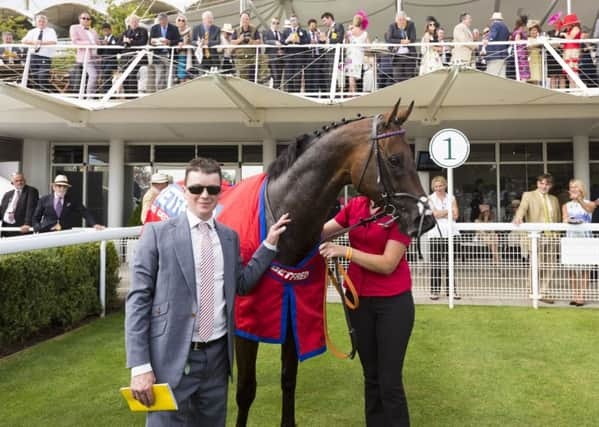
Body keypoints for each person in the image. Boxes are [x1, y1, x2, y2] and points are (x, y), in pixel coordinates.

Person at [125, 158, 290, 426]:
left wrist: (268, 245)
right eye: (197, 188)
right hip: (170, 358)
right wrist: (140, 366)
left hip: (216, 360)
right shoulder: (156, 234)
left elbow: (242, 284)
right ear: (185, 189)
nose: (204, 195)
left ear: (219, 192)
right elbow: (138, 302)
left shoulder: (229, 237)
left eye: (212, 190)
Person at [320, 195, 414, 426]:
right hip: (359, 301)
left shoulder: (401, 212)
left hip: (393, 303)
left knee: (389, 380)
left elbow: (387, 264)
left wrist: (346, 252)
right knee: (371, 376)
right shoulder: (357, 205)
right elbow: (323, 231)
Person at [513, 173, 560, 303]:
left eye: (547, 184)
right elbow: (522, 208)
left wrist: (559, 234)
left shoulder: (554, 199)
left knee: (550, 265)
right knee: (536, 264)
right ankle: (532, 291)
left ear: (551, 185)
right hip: (536, 236)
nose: (544, 186)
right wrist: (518, 216)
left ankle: (544, 292)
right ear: (538, 183)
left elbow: (558, 218)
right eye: (542, 183)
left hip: (552, 236)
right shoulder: (528, 195)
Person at [562, 179, 595, 307]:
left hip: (586, 239)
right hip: (571, 239)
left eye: (575, 186)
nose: (573, 189)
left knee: (585, 269)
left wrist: (579, 199)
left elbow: (588, 211)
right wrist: (568, 220)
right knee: (571, 269)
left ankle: (581, 296)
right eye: (571, 187)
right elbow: (564, 219)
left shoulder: (590, 203)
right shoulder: (566, 205)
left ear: (581, 189)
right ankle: (575, 295)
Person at [32, 175, 104, 232]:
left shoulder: (72, 200)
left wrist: (94, 224)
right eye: (59, 186)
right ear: (54, 187)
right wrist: (38, 228)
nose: (62, 189)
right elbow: (36, 217)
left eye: (64, 186)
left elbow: (84, 212)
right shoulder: (44, 199)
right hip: (47, 232)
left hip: (65, 233)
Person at [427, 176, 460, 300]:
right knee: (436, 263)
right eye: (436, 186)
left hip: (452, 233)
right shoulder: (430, 198)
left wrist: (443, 213)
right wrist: (448, 211)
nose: (438, 188)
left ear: (445, 185)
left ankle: (451, 291)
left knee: (450, 264)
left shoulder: (451, 197)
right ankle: (434, 291)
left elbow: (456, 215)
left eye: (440, 186)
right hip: (435, 234)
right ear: (433, 187)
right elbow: (434, 214)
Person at [21, 14, 57, 92]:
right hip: (33, 56)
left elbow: (54, 42)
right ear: (36, 23)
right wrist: (34, 42)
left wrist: (41, 42)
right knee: (35, 78)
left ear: (46, 22)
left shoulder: (51, 31)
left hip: (45, 57)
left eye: (43, 21)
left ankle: (49, 93)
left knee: (43, 77)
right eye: (39, 21)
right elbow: (23, 41)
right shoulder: (32, 31)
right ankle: (39, 95)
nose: (41, 23)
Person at [70, 11, 100, 96]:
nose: (86, 20)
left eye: (88, 19)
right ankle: (89, 97)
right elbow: (75, 42)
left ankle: (92, 96)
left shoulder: (93, 30)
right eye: (84, 18)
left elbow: (97, 42)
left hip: (96, 57)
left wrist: (104, 42)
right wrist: (88, 43)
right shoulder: (74, 28)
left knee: (96, 77)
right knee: (93, 75)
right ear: (80, 19)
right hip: (86, 57)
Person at [149, 13, 181, 92]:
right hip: (158, 55)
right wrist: (152, 42)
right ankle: (159, 94)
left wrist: (169, 42)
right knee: (159, 77)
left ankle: (170, 93)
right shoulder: (154, 28)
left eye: (163, 21)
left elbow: (178, 40)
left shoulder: (174, 28)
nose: (162, 22)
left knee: (170, 76)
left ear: (167, 20)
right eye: (160, 21)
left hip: (170, 55)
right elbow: (150, 41)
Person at [0, 173, 39, 237]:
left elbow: (31, 208)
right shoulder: (7, 194)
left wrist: (27, 224)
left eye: (21, 180)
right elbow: (2, 210)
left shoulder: (31, 191)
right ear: (12, 182)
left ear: (25, 180)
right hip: (6, 228)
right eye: (16, 181)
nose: (19, 182)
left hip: (21, 229)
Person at [386, 11, 417, 84]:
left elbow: (413, 38)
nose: (402, 22)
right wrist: (401, 41)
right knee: (397, 77)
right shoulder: (392, 26)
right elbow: (389, 39)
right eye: (400, 20)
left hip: (409, 55)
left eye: (403, 20)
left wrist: (408, 41)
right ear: (396, 20)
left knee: (409, 78)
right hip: (397, 56)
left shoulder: (411, 24)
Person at [120, 14, 148, 94]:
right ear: (129, 23)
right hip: (126, 58)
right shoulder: (126, 32)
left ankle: (132, 96)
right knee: (125, 76)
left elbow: (143, 42)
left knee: (132, 75)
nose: (134, 23)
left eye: (135, 21)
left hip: (137, 58)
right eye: (132, 21)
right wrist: (125, 41)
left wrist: (131, 42)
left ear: (138, 22)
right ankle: (127, 95)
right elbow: (119, 42)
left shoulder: (143, 30)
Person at [281, 15, 309, 92]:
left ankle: (297, 93)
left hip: (299, 57)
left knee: (298, 76)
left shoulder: (303, 31)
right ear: (290, 22)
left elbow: (307, 42)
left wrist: (299, 41)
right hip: (289, 57)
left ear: (297, 21)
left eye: (295, 20)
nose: (293, 22)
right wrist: (287, 40)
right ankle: (290, 93)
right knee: (289, 76)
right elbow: (281, 42)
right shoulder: (286, 31)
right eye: (292, 20)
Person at [232, 12, 261, 82]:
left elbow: (259, 41)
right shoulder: (237, 30)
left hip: (252, 58)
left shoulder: (254, 29)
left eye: (246, 19)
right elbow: (232, 42)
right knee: (243, 79)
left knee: (253, 78)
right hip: (241, 59)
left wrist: (252, 41)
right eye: (243, 19)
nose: (245, 21)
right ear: (240, 20)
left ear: (249, 20)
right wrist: (239, 40)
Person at [345, 12, 369, 94]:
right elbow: (368, 46)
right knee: (354, 76)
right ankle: (351, 93)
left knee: (350, 76)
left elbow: (346, 43)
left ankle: (353, 93)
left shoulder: (350, 32)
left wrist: (349, 30)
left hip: (350, 55)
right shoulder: (365, 33)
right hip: (359, 55)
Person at [483, 12, 510, 78]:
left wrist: (487, 39)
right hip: (503, 55)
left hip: (494, 55)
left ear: (493, 19)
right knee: (502, 75)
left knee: (492, 76)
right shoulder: (505, 27)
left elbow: (492, 36)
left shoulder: (495, 25)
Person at [304, 18, 326, 94]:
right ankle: (308, 94)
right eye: (312, 25)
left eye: (315, 25)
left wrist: (320, 38)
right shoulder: (305, 34)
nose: (314, 27)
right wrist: (310, 44)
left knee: (316, 77)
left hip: (318, 57)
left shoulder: (319, 34)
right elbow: (303, 45)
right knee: (308, 76)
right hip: (308, 58)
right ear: (309, 26)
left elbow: (323, 44)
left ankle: (315, 93)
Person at [560, 13, 581, 88]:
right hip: (568, 51)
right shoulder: (571, 29)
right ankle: (573, 87)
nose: (567, 25)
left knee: (573, 71)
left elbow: (570, 38)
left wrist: (564, 34)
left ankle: (576, 88)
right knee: (569, 72)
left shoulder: (576, 28)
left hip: (573, 51)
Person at [263, 17, 285, 89]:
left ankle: (277, 92)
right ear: (271, 24)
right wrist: (275, 42)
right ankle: (275, 92)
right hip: (272, 58)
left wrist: (282, 50)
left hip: (280, 58)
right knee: (275, 77)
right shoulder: (266, 32)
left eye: (277, 23)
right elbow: (266, 41)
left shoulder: (281, 34)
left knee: (279, 78)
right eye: (274, 23)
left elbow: (283, 44)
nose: (275, 25)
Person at [97, 23, 120, 93]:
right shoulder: (101, 39)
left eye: (107, 30)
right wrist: (100, 45)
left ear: (110, 30)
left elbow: (117, 50)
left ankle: (106, 93)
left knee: (106, 75)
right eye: (104, 31)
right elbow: (99, 52)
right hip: (104, 62)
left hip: (112, 61)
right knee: (105, 77)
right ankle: (109, 94)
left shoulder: (115, 38)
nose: (105, 32)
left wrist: (108, 44)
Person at [511, 15, 530, 81]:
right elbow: (517, 41)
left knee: (521, 69)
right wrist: (526, 41)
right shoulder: (520, 31)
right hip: (521, 52)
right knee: (523, 69)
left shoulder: (516, 30)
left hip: (519, 52)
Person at [174, 14, 193, 83]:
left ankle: (181, 78)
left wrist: (184, 44)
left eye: (183, 20)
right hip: (174, 52)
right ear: (176, 22)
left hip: (185, 52)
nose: (181, 21)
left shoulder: (189, 30)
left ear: (185, 22)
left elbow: (192, 41)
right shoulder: (174, 30)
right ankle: (179, 78)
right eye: (179, 20)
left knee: (182, 56)